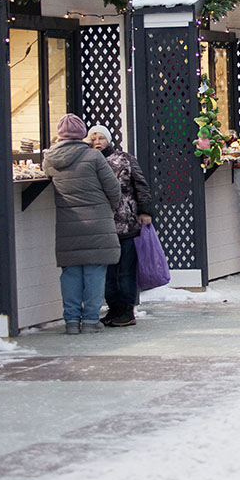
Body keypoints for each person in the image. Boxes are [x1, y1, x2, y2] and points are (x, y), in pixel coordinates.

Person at [42, 113, 120, 334]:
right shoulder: (94, 157)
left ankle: (72, 322)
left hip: (68, 223)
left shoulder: (50, 159)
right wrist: (109, 209)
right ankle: (90, 320)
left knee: (71, 272)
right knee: (94, 271)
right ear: (82, 135)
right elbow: (114, 189)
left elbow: (47, 171)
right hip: (97, 222)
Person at [86, 125, 153, 328]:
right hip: (103, 225)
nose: (97, 142)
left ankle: (126, 309)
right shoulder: (88, 161)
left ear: (109, 140)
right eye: (93, 138)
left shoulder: (124, 159)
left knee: (125, 270)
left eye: (101, 138)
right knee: (108, 272)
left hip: (126, 222)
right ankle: (113, 308)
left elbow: (140, 185)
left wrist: (145, 211)